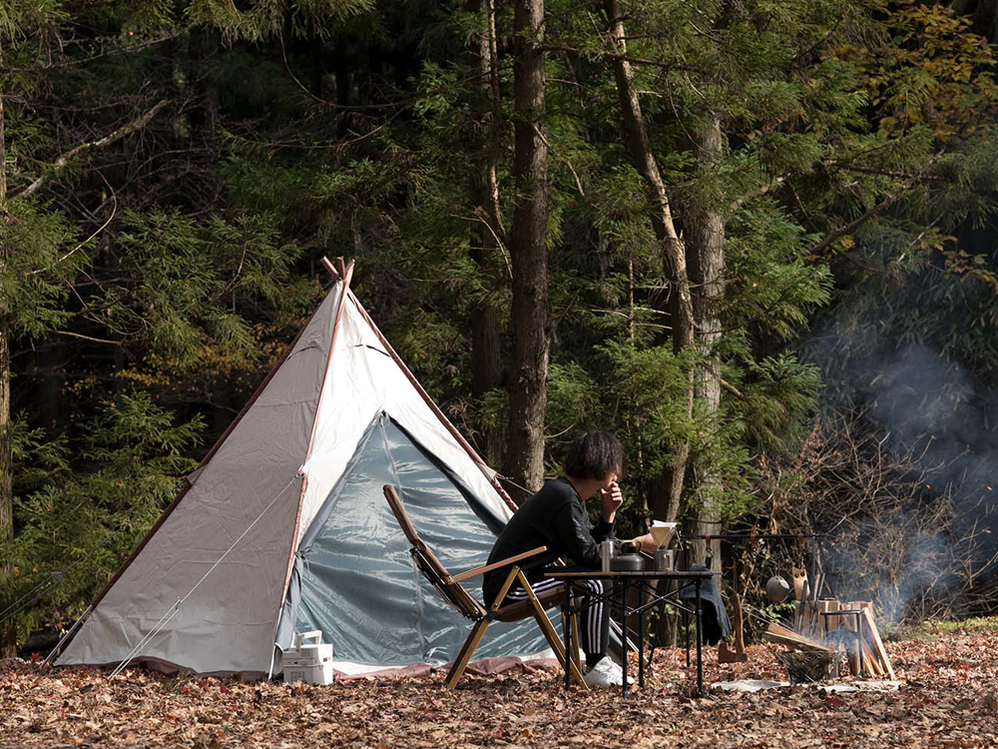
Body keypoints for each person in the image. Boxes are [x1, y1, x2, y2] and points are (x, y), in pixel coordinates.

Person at [482, 431, 657, 687]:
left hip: (521, 581)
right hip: (508, 589)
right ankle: (596, 664)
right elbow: (590, 556)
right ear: (601, 463)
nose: (617, 474)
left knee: (594, 579)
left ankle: (596, 663)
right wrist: (637, 543)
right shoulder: (562, 497)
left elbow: (589, 549)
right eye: (614, 465)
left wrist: (608, 516)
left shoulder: (568, 495)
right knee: (596, 582)